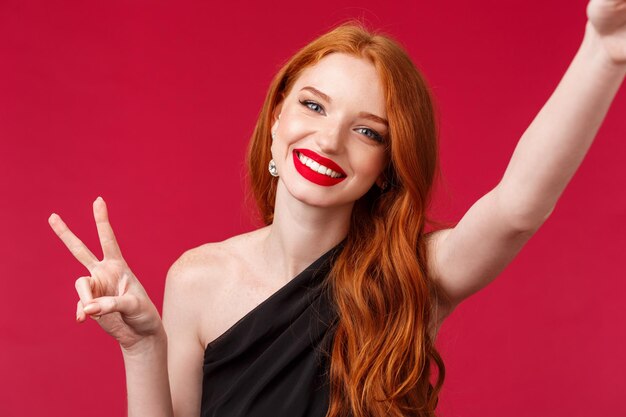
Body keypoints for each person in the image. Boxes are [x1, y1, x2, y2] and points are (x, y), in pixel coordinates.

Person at [48, 1, 625, 416]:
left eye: (367, 132)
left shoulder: (411, 272)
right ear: (277, 118)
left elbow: (517, 208)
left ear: (386, 168)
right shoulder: (196, 278)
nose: (329, 140)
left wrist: (603, 54)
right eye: (314, 106)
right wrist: (142, 347)